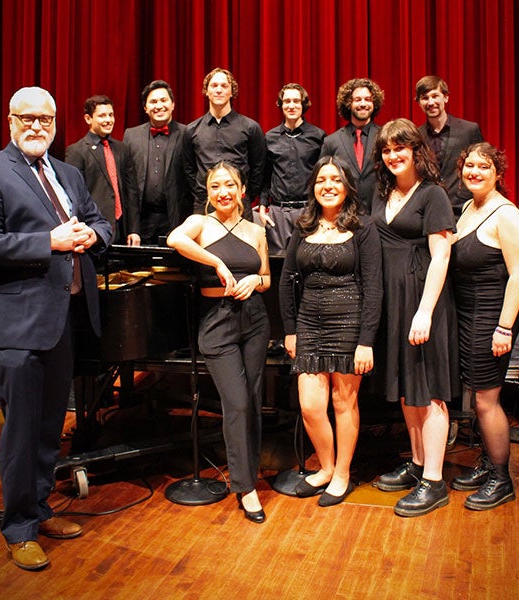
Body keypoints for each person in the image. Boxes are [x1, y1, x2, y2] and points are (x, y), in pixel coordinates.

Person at [0, 87, 112, 570]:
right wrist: (48, 240)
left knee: (49, 429)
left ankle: (39, 510)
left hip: (64, 321)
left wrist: (92, 234)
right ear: (10, 121)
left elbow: (100, 222)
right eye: (28, 118)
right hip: (18, 327)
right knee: (21, 432)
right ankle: (18, 527)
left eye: (46, 119)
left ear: (58, 122)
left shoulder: (67, 173)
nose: (38, 126)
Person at [167, 162, 271, 523]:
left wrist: (255, 282)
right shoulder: (201, 223)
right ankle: (245, 487)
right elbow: (174, 240)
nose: (223, 191)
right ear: (208, 193)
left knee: (254, 400)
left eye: (230, 185)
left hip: (255, 320)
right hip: (218, 323)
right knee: (237, 402)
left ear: (242, 190)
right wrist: (219, 264)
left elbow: (267, 276)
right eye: (216, 186)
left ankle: (248, 477)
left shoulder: (256, 229)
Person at [279, 155, 382, 506]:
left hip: (350, 324)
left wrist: (366, 341)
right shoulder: (303, 225)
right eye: (322, 180)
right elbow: (285, 281)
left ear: (348, 187)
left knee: (343, 402)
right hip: (309, 323)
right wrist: (290, 330)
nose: (328, 186)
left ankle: (341, 473)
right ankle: (324, 467)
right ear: (314, 187)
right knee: (310, 405)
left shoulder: (363, 228)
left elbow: (374, 288)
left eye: (336, 180)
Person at [371, 118, 459, 517]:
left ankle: (435, 482)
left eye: (399, 148)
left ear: (415, 150)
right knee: (409, 391)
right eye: (387, 150)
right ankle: (419, 463)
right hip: (393, 301)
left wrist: (424, 311)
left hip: (423, 301)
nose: (393, 156)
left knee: (430, 390)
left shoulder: (433, 194)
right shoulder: (383, 191)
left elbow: (442, 256)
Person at [449, 143, 519, 510]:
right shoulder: (467, 208)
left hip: (491, 317)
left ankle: (501, 477)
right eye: (469, 165)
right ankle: (486, 463)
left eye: (483, 166)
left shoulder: (507, 215)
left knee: (487, 401)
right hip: (467, 315)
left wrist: (504, 327)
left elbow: (518, 275)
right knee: (479, 398)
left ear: (498, 173)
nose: (474, 171)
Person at [182, 68, 266, 221]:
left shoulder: (250, 127)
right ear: (206, 91)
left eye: (224, 86)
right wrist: (202, 192)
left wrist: (245, 194)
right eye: (214, 86)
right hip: (204, 204)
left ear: (232, 91)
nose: (219, 90)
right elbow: (189, 169)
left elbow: (259, 167)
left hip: (239, 203)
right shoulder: (191, 130)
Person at [259, 83, 326, 255]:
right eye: (287, 101)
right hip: (278, 213)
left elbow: (323, 175)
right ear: (280, 105)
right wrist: (262, 206)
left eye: (296, 101)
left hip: (308, 210)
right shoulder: (270, 137)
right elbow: (265, 176)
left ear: (303, 105)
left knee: (308, 260)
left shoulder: (318, 136)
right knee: (278, 265)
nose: (291, 105)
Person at [66, 95, 140, 245]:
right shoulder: (76, 151)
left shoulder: (122, 149)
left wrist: (134, 229)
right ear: (88, 119)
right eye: (102, 115)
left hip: (123, 231)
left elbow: (131, 192)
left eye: (111, 115)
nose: (108, 120)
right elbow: (75, 197)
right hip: (94, 231)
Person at [123, 80, 189, 244]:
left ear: (173, 104)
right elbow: (128, 187)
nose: (159, 106)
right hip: (142, 222)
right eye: (153, 102)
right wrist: (133, 228)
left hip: (176, 221)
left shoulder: (188, 134)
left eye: (163, 100)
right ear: (145, 108)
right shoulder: (131, 136)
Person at [415, 75, 484, 218]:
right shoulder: (416, 135)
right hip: (430, 209)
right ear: (419, 102)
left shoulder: (469, 130)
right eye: (425, 98)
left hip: (465, 207)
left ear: (445, 97)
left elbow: (483, 166)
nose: (431, 102)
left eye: (435, 96)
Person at [320, 78, 384, 212]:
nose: (363, 104)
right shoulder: (332, 141)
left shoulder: (384, 136)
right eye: (358, 99)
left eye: (368, 99)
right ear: (348, 103)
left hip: (379, 214)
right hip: (343, 214)